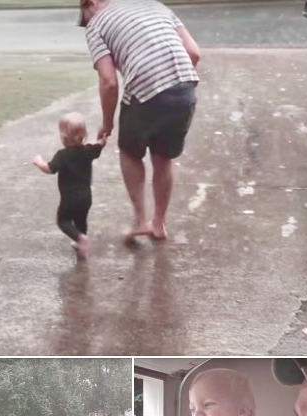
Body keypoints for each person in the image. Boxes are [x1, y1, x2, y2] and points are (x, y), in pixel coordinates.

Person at [79, 0, 200, 241]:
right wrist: (173, 86)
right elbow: (194, 53)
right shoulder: (154, 5)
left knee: (129, 152)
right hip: (185, 87)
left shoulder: (96, 25)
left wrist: (107, 123)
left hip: (146, 89)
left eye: (84, 17)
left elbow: (109, 82)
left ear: (89, 3)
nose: (86, 23)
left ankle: (141, 220)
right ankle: (159, 224)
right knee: (163, 158)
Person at [33, 111, 106, 260]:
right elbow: (99, 147)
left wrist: (39, 162)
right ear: (84, 135)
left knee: (63, 221)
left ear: (64, 137)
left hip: (69, 198)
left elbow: (50, 169)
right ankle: (81, 238)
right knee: (81, 219)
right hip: (86, 197)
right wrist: (102, 140)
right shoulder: (88, 151)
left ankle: (80, 238)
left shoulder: (63, 155)